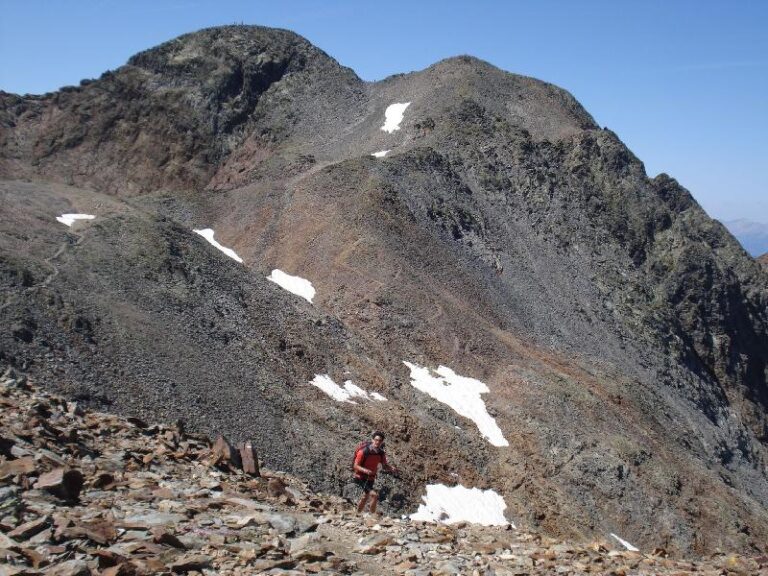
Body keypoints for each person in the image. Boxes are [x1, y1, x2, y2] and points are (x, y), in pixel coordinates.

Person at [353, 431, 398, 514]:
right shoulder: (363, 452)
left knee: (365, 497)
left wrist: (391, 468)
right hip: (360, 477)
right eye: (376, 440)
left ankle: (357, 514)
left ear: (382, 442)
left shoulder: (381, 453)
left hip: (371, 478)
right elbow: (355, 466)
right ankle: (373, 516)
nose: (377, 442)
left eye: (380, 440)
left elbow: (384, 466)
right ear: (372, 440)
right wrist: (365, 470)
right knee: (374, 495)